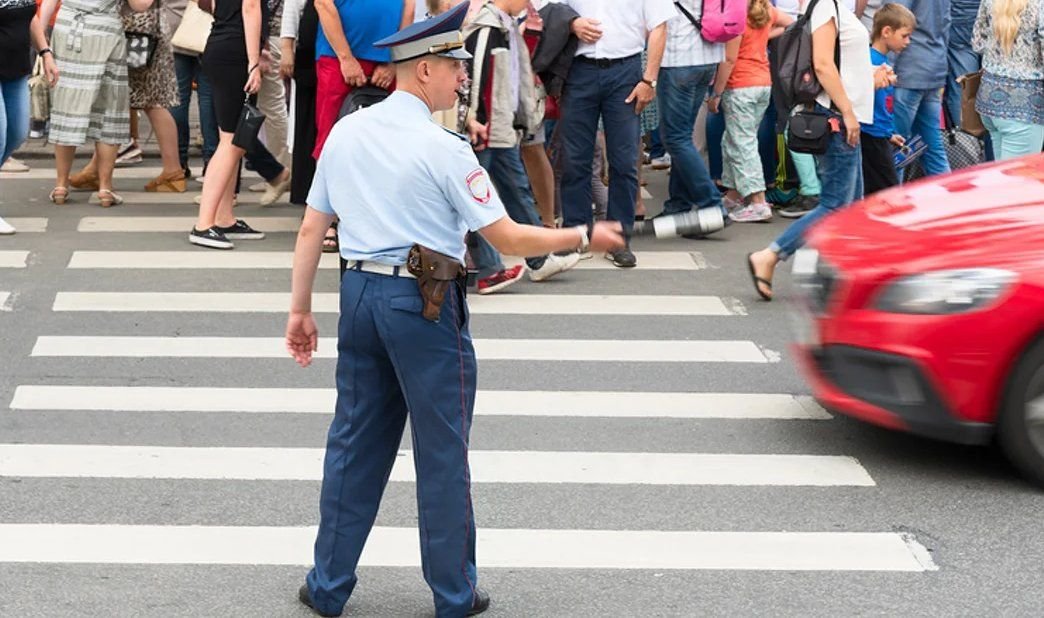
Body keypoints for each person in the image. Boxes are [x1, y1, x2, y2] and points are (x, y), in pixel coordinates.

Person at [285, 5, 624, 616]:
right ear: (422, 74)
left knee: (353, 445)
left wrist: (299, 312)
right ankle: (452, 594)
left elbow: (312, 228)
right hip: (423, 303)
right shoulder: (444, 148)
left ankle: (328, 585)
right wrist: (584, 236)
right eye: (454, 68)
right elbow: (511, 239)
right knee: (441, 453)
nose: (462, 79)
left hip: (359, 295)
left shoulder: (347, 131)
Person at [746, 0, 882, 300]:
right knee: (835, 205)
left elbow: (841, 62)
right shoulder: (824, 6)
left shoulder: (830, 7)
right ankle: (770, 255)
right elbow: (822, 63)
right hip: (835, 118)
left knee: (850, 207)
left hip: (845, 116)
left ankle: (843, 277)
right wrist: (846, 111)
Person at [551, 0, 675, 268]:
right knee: (574, 159)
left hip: (625, 69)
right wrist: (572, 23)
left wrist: (649, 80)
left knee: (624, 160)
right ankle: (576, 233)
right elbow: (548, 9)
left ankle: (618, 238)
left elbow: (659, 26)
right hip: (579, 68)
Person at [463, 0, 580, 283]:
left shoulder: (506, 27)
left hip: (503, 128)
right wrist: (475, 119)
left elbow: (515, 80)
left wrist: (522, 119)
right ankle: (489, 269)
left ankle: (538, 259)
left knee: (515, 191)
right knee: (477, 199)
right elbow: (475, 77)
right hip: (486, 129)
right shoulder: (487, 28)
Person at [40, 0, 153, 207]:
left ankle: (61, 185)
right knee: (109, 108)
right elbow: (141, 5)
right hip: (105, 33)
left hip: (67, 30)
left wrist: (41, 41)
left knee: (67, 105)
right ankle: (105, 188)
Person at [69, 0, 188, 195]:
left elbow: (141, 3)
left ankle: (172, 171)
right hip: (140, 32)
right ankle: (96, 168)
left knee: (147, 102)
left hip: (138, 34)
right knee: (136, 102)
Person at [190, 0, 283, 248]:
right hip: (234, 54)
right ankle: (204, 224)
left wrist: (253, 49)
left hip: (225, 46)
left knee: (235, 141)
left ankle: (223, 218)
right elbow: (250, 6)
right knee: (231, 142)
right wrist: (253, 59)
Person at [707, 0, 792, 223]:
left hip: (740, 85)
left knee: (742, 142)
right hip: (762, 82)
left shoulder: (737, 13)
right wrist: (765, 36)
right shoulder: (765, 8)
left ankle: (757, 201)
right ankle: (734, 194)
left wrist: (716, 92)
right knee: (733, 140)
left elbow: (729, 58)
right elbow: (791, 22)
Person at [655, 0, 725, 232]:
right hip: (708, 56)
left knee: (675, 138)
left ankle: (712, 206)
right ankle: (679, 204)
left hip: (678, 58)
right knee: (682, 136)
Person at [311, 0, 414, 158]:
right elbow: (322, 4)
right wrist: (345, 58)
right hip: (338, 58)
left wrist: (395, 60)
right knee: (331, 140)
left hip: (386, 60)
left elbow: (409, 8)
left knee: (388, 141)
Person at [0, 0, 59, 234]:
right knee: (0, 136)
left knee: (17, 132)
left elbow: (30, 17)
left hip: (15, 70)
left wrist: (46, 53)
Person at [972, 0, 1044, 159]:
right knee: (1020, 179)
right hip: (1026, 106)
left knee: (1004, 177)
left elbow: (977, 43)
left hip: (989, 98)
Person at [891, 0, 952, 179]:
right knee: (932, 146)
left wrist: (885, 65)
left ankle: (893, 202)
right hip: (934, 65)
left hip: (908, 69)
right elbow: (947, 23)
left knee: (895, 146)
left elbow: (894, 20)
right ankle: (948, 197)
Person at [860, 3, 915, 195]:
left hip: (879, 134)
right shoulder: (871, 61)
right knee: (889, 191)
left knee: (875, 192)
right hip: (870, 135)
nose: (908, 41)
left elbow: (882, 106)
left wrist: (889, 133)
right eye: (904, 36)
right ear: (886, 32)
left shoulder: (882, 60)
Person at [166, 0, 219, 180]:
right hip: (209, 28)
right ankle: (210, 162)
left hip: (177, 28)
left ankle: (179, 162)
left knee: (177, 98)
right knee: (208, 98)